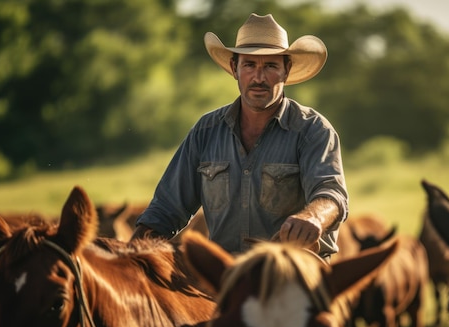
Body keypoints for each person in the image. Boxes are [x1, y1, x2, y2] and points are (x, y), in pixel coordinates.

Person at [131, 13, 349, 260]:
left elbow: (331, 194)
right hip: (223, 276)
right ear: (235, 69)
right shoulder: (206, 131)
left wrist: (313, 217)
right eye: (249, 65)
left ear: (286, 70)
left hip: (292, 273)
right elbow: (167, 209)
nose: (259, 78)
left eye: (270, 66)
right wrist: (129, 256)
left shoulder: (312, 130)